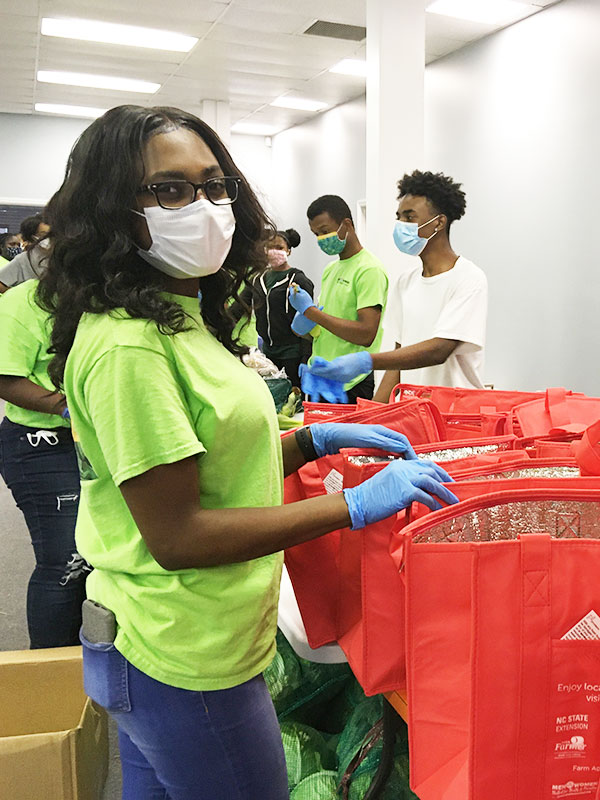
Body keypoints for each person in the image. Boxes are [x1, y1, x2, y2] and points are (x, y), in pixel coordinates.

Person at [36, 104, 457, 800]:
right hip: (181, 651)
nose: (201, 206)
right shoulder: (128, 347)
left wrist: (311, 440)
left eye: (213, 185)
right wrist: (347, 505)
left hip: (172, 632)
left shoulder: (180, 321)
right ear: (113, 208)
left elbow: (211, 458)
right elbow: (178, 534)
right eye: (170, 190)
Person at [305, 171, 488, 403]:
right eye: (399, 217)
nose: (401, 225)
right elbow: (399, 362)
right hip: (414, 411)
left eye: (410, 217)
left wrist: (368, 361)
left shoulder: (468, 278)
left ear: (439, 223)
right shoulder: (406, 281)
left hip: (456, 413)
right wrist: (372, 413)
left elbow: (440, 349)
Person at [0, 278, 86, 648]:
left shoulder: (114, 295)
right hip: (41, 442)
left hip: (97, 440)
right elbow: (6, 377)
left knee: (98, 555)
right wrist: (66, 407)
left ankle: (90, 658)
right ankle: (49, 669)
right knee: (66, 561)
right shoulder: (26, 302)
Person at [288, 195, 388, 402]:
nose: (321, 239)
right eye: (316, 234)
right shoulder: (330, 269)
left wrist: (311, 312)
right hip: (323, 377)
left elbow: (366, 334)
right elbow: (331, 323)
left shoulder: (369, 270)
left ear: (347, 225)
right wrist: (307, 328)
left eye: (325, 231)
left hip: (351, 382)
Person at [253, 228, 314, 388]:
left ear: (289, 250)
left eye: (279, 248)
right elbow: (240, 308)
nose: (274, 252)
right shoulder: (258, 279)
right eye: (270, 247)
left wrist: (306, 358)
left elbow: (308, 319)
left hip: (292, 353)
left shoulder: (297, 279)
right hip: (267, 353)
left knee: (292, 401)